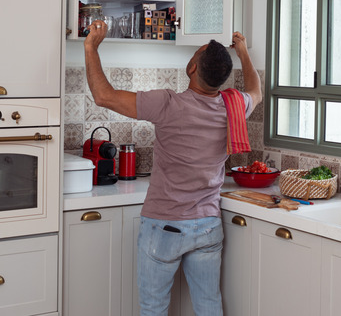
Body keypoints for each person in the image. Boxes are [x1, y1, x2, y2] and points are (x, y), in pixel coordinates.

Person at [83, 20, 262, 316]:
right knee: (209, 307)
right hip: (208, 226)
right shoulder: (235, 106)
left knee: (154, 310)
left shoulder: (168, 104)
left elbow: (104, 96)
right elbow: (255, 89)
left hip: (164, 226)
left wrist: (91, 46)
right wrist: (243, 52)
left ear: (192, 67)